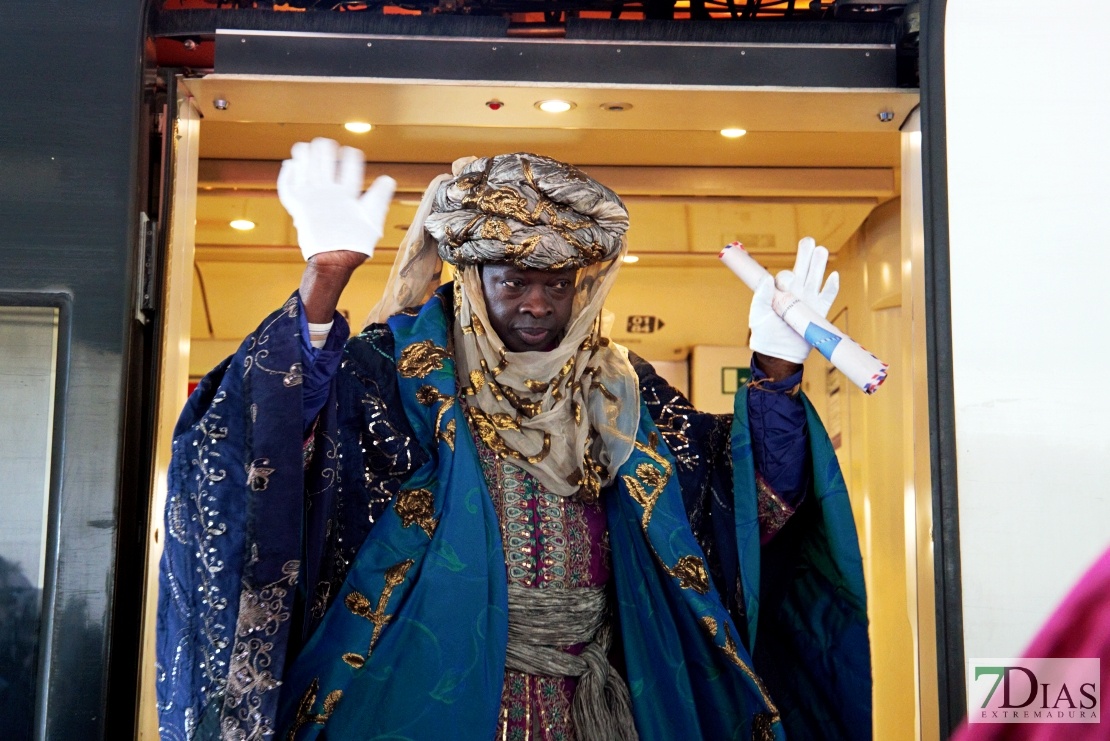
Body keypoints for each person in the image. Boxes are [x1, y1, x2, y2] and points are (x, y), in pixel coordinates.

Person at [156, 139, 870, 741]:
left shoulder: (624, 394)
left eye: (556, 283)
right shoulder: (394, 378)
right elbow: (268, 455)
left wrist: (776, 367)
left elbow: (751, 510)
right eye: (514, 280)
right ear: (471, 279)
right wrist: (322, 284)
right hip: (421, 697)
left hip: (600, 710)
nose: (537, 302)